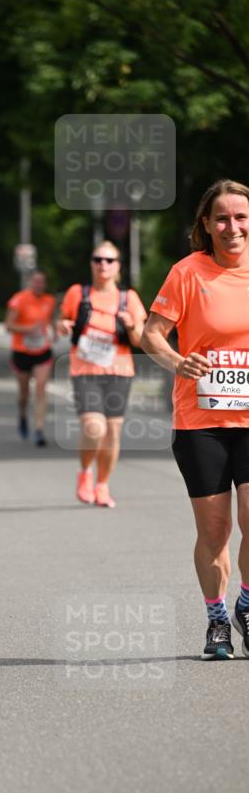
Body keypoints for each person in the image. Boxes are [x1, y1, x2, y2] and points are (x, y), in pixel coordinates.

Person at [142, 179, 249, 660]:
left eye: (241, 217)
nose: (233, 227)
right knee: (214, 531)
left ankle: (245, 604)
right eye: (222, 218)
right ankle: (217, 619)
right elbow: (152, 335)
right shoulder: (188, 273)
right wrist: (177, 361)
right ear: (206, 224)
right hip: (201, 420)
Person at [57, 241, 146, 507]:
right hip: (85, 369)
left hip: (119, 371)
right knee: (94, 428)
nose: (103, 265)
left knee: (113, 433)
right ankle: (85, 472)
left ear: (118, 266)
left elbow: (141, 340)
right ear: (91, 264)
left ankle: (103, 485)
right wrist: (62, 325)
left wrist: (131, 326)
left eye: (109, 260)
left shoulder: (128, 298)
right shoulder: (78, 293)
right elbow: (63, 321)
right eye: (98, 259)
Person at [5, 270, 56, 446]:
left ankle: (39, 429)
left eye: (42, 282)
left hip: (42, 350)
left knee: (41, 389)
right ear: (30, 283)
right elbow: (8, 326)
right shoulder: (19, 299)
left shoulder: (49, 300)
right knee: (24, 394)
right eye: (36, 282)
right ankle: (22, 415)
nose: (39, 285)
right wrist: (29, 329)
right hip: (22, 351)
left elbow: (50, 322)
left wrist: (53, 333)